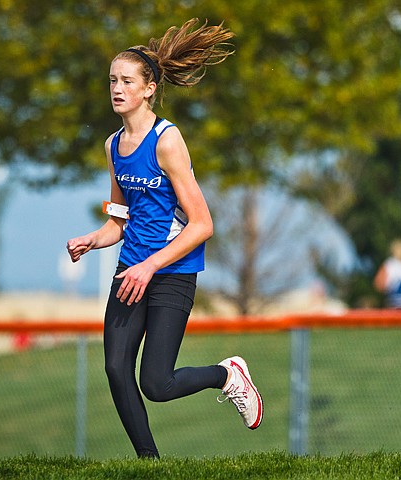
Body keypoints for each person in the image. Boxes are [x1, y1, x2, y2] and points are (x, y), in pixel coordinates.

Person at [66, 19, 262, 459]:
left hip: (171, 272)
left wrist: (151, 264)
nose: (117, 88)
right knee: (116, 369)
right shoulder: (113, 144)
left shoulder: (167, 140)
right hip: (130, 270)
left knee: (156, 384)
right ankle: (148, 463)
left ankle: (226, 374)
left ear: (149, 88)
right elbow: (118, 221)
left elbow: (202, 224)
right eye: (112, 80)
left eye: (127, 81)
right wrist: (92, 240)